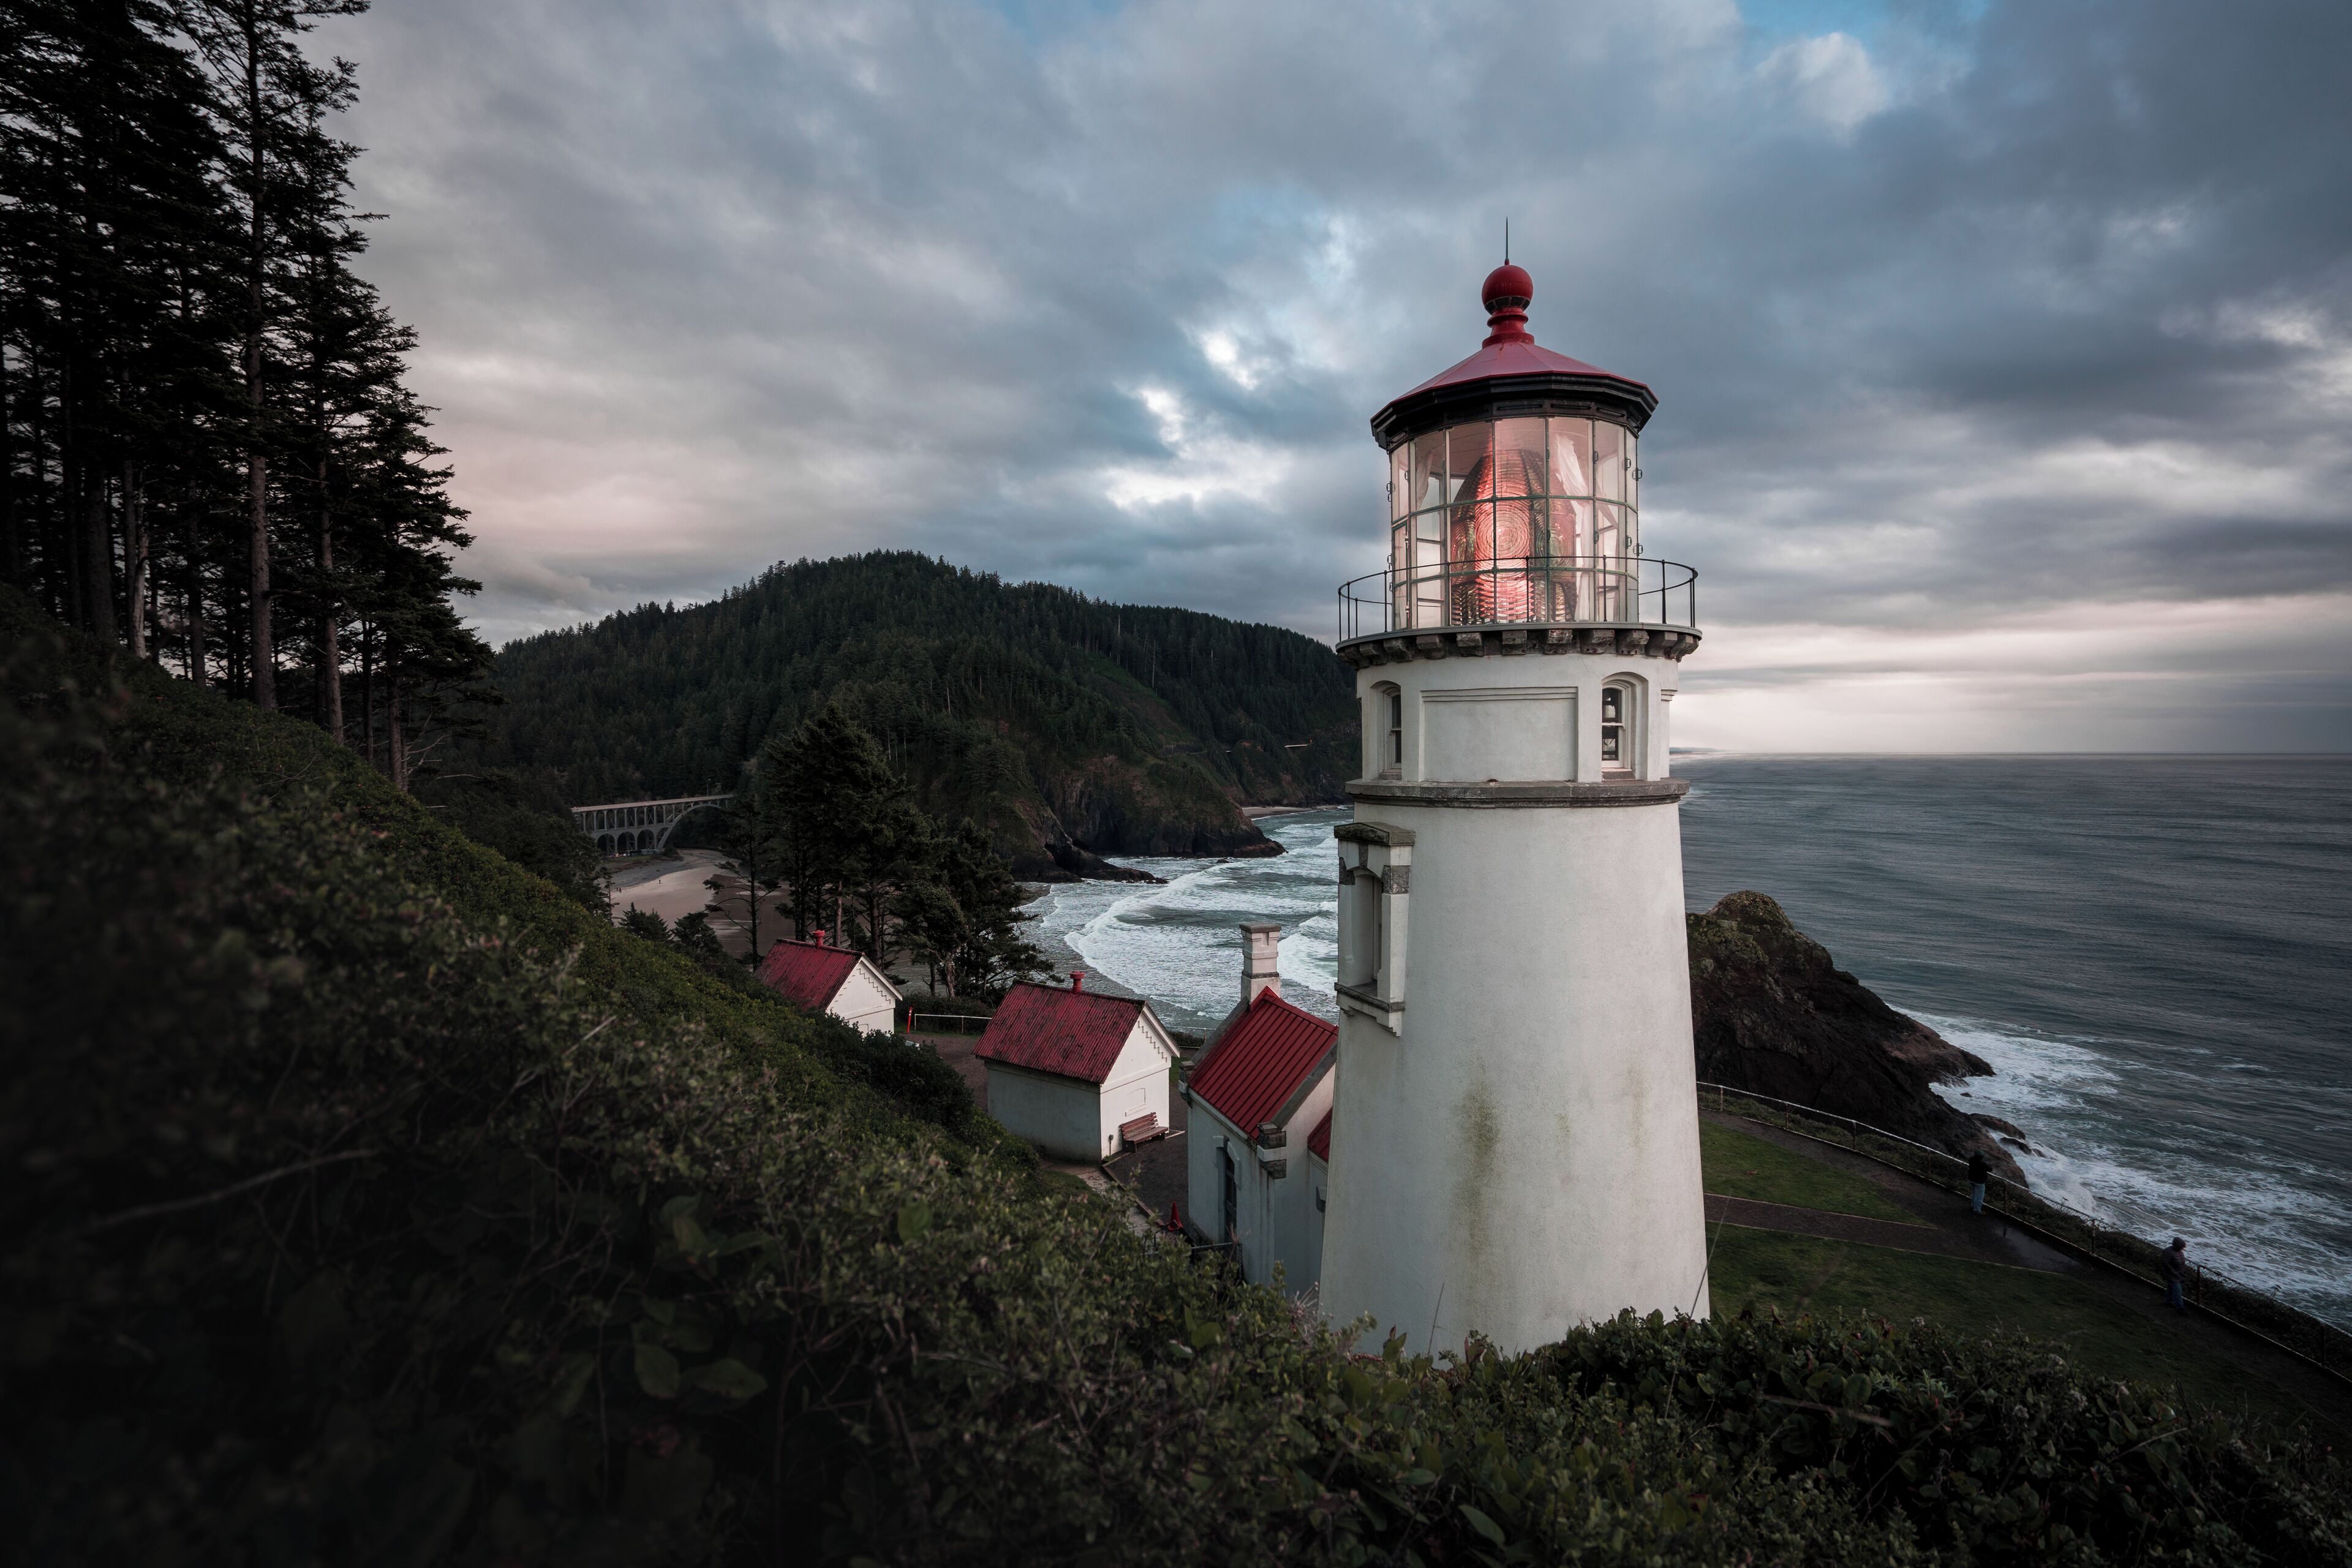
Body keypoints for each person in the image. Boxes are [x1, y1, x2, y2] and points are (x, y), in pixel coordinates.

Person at [2162, 1237, 2191, 1311]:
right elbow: (2166, 1264)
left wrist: (2182, 1272)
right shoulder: (2168, 1252)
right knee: (2177, 1290)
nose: (2183, 1249)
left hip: (2177, 1274)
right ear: (2178, 1246)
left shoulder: (2178, 1251)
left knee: (2171, 1288)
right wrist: (2175, 1273)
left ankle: (2168, 1301)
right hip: (2171, 1274)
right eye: (2182, 1247)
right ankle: (2180, 1307)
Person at [1966, 1149, 1991, 1215]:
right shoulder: (1983, 1164)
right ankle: (1977, 1210)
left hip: (1971, 1179)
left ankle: (1972, 1206)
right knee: (1979, 1197)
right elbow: (1990, 1169)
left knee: (1974, 1194)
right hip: (1979, 1182)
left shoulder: (1971, 1159)